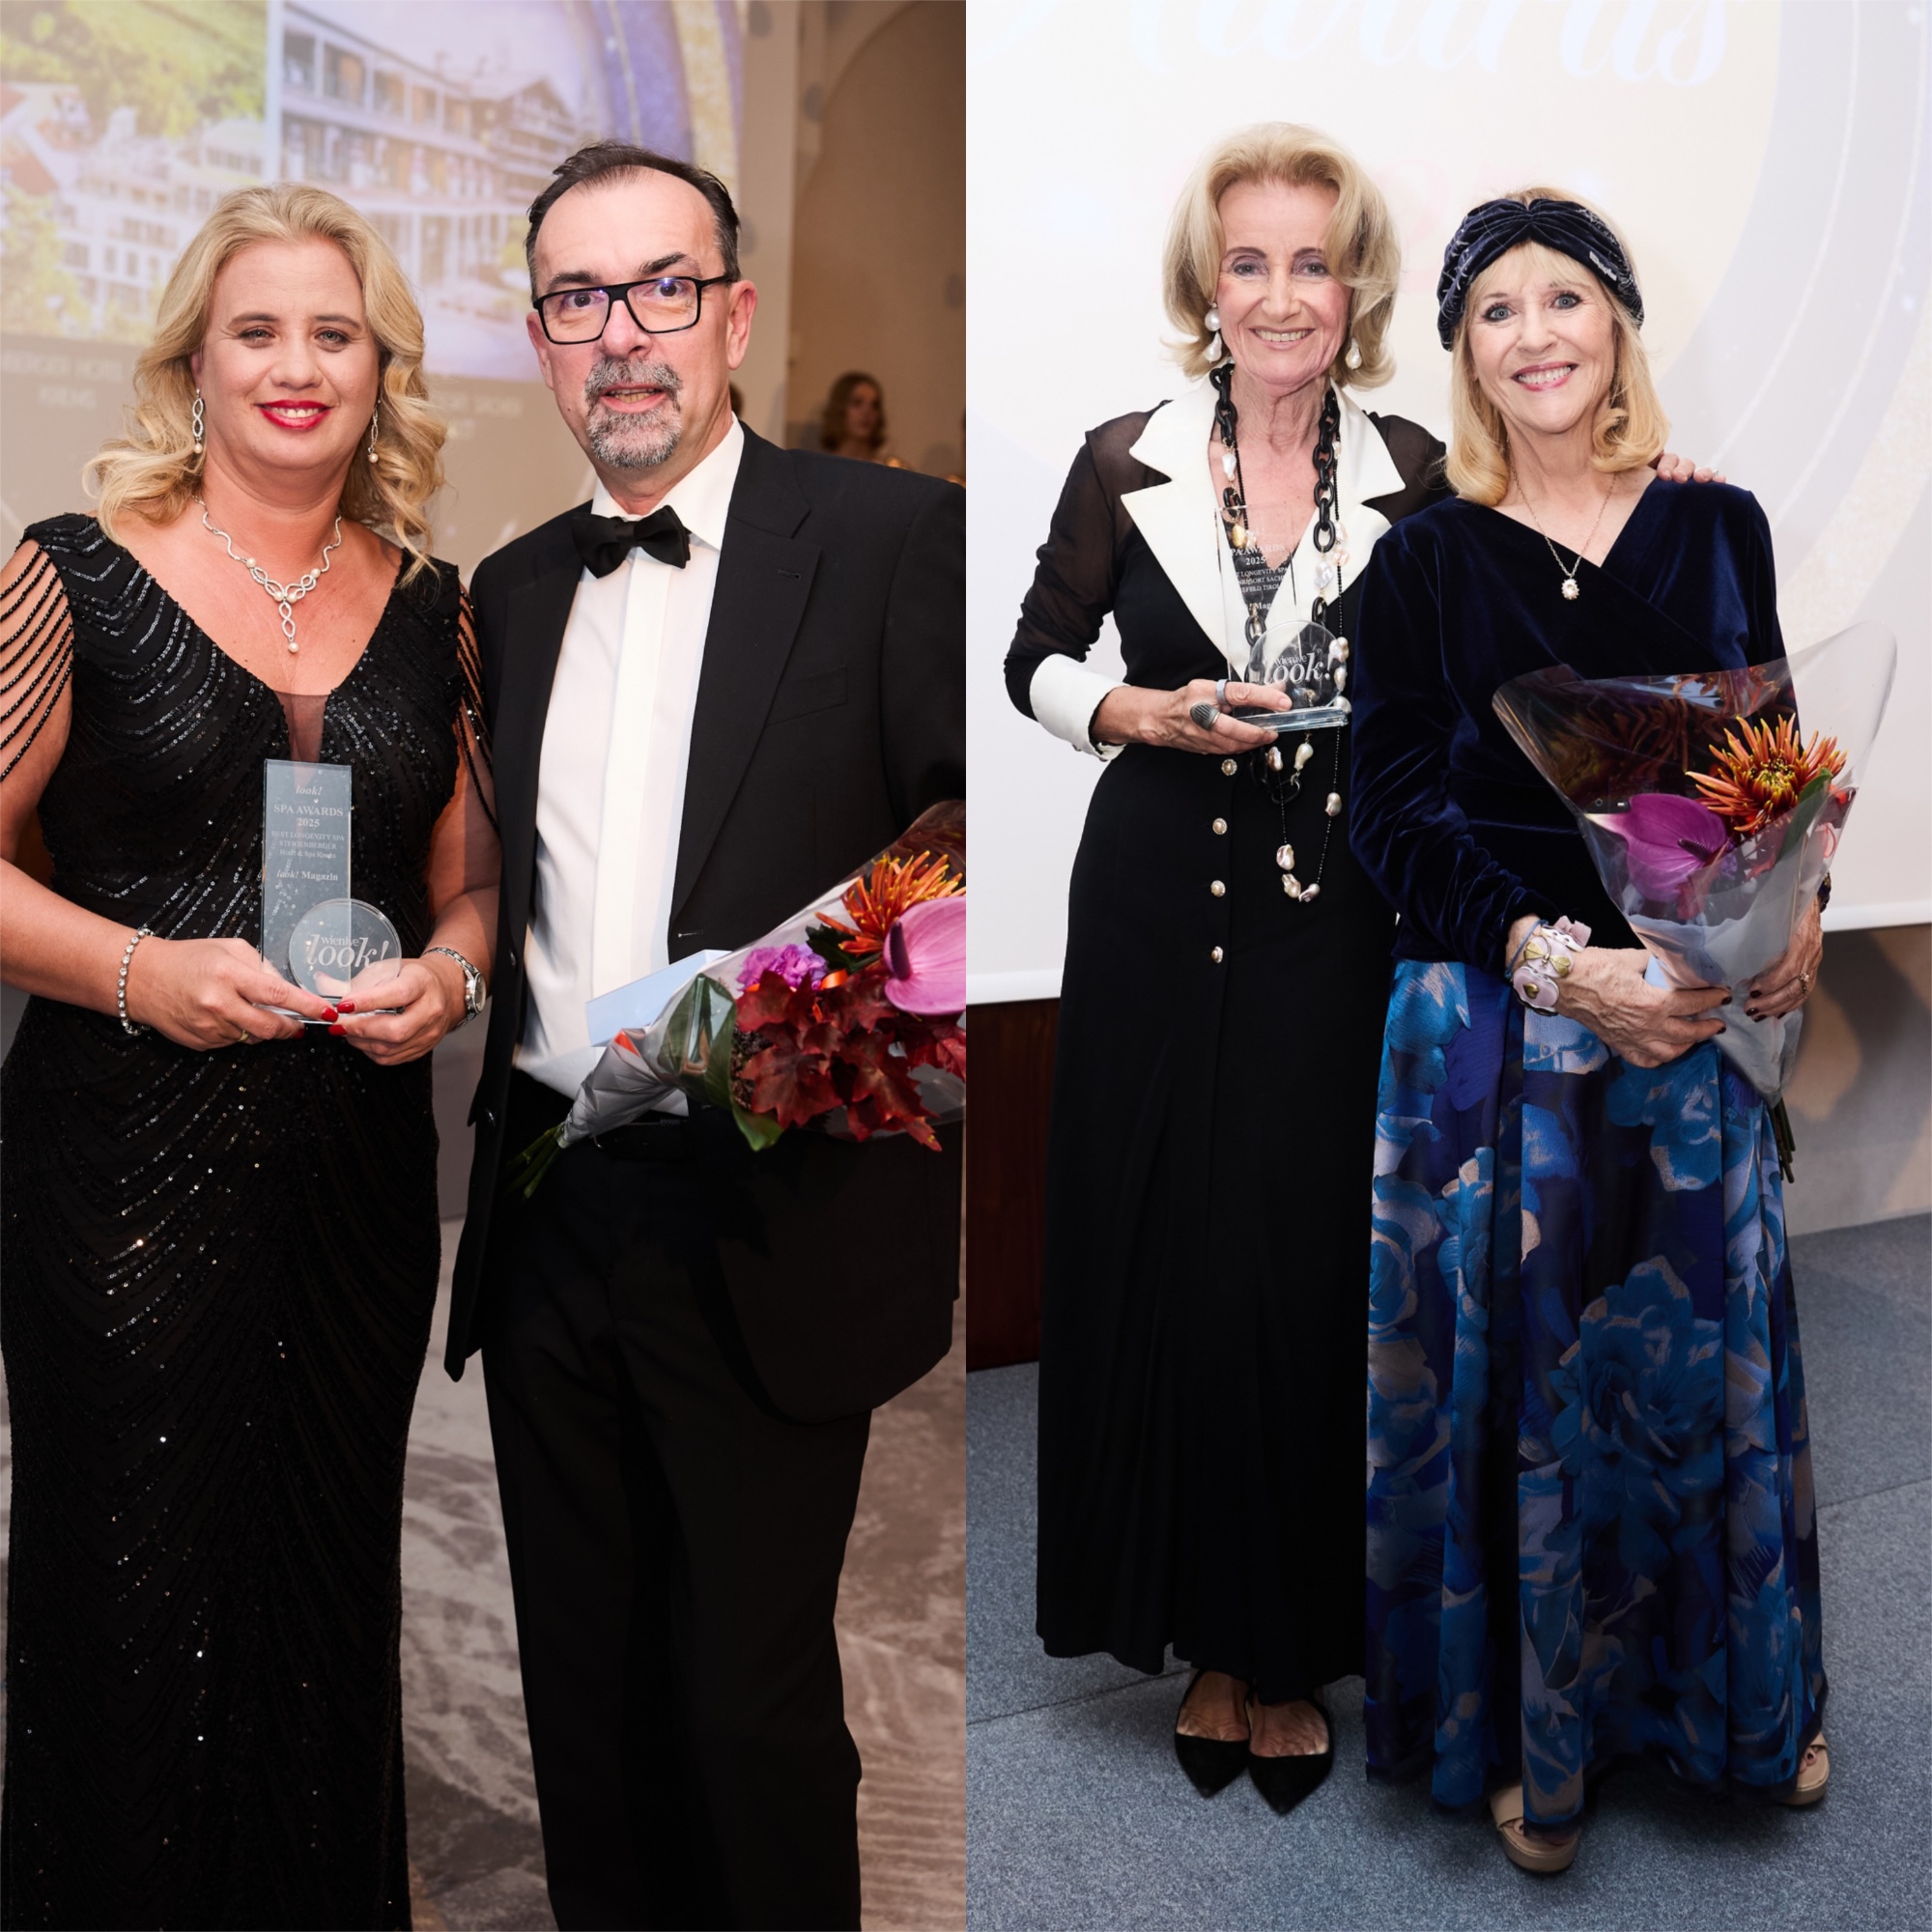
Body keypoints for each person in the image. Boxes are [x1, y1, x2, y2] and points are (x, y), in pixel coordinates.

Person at [447, 141, 963, 1929]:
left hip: (772, 1204)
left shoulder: (893, 539)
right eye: (579, 299)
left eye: (662, 287)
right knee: (582, 1701)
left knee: (750, 1709)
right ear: (539, 339)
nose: (624, 334)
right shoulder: (508, 589)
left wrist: (767, 1025)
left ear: (734, 315)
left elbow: (965, 854)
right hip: (548, 1211)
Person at [0, 184, 497, 1928]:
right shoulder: (66, 575)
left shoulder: (438, 611)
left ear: (381, 370)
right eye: (257, 330)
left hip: (353, 1190)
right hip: (119, 1184)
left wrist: (450, 976)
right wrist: (139, 971)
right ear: (193, 365)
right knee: (129, 1597)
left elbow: (468, 886)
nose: (297, 365)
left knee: (319, 1586)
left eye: (334, 334)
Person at [1349, 190, 1829, 1875]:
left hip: (1697, 1012)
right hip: (1506, 1029)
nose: (1536, 333)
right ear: (1463, 353)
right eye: (1497, 310)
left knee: (1693, 1373)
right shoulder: (1423, 558)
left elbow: (1773, 761)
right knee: (1527, 1389)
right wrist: (1563, 966)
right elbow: (1391, 814)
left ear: (1617, 322)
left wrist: (1797, 916)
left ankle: (1731, 1700)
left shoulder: (1718, 524)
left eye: (1567, 298)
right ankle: (1522, 1732)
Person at [1002, 123, 1448, 1811]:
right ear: (1207, 282)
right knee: (1171, 1260)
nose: (1279, 295)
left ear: (1356, 288)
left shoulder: (1419, 470)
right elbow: (1035, 659)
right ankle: (1201, 1637)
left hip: (1333, 915)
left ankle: (1290, 1640)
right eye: (1248, 261)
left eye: (1311, 263)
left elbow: (1472, 677)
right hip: (1148, 905)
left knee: (1301, 1264)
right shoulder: (1123, 459)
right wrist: (1137, 711)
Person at [819, 368, 901, 464]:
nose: (867, 412)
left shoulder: (891, 468)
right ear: (840, 408)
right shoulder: (820, 466)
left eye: (874, 405)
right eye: (857, 403)